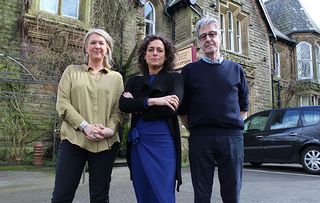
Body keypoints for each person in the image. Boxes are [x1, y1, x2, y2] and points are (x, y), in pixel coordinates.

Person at [178, 17, 249, 203]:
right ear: (199, 42)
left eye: (212, 34)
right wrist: (196, 129)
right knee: (201, 195)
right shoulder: (189, 71)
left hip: (232, 138)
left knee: (232, 193)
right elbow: (182, 109)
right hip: (201, 138)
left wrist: (235, 125)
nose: (208, 39)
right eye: (203, 36)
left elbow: (244, 104)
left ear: (220, 37)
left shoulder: (236, 69)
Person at [52, 28, 124, 203]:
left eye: (101, 43)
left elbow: (118, 110)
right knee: (62, 195)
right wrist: (85, 126)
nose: (97, 46)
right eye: (93, 42)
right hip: (73, 140)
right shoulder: (71, 71)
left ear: (108, 48)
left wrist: (110, 130)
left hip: (105, 143)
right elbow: (62, 103)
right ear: (85, 47)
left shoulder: (116, 78)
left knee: (100, 197)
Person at [119, 34, 183, 203]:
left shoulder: (175, 78)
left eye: (159, 50)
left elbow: (169, 110)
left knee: (164, 195)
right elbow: (124, 105)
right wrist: (154, 100)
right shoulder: (133, 81)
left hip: (164, 145)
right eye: (151, 49)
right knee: (143, 193)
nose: (155, 53)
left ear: (166, 55)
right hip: (139, 144)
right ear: (145, 55)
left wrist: (138, 104)